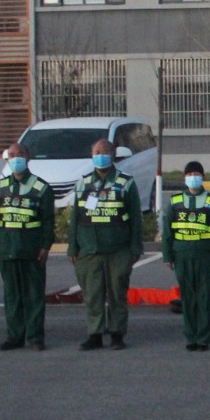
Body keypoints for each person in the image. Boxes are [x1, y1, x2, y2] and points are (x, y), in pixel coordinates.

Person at [68, 138, 143, 350]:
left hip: (118, 250)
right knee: (93, 295)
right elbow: (76, 217)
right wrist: (72, 247)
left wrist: (135, 248)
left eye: (105, 152)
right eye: (97, 152)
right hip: (89, 250)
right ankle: (95, 334)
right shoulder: (83, 183)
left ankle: (117, 334)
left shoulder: (125, 182)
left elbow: (135, 218)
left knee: (117, 293)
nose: (100, 155)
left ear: (113, 155)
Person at [0, 142, 54, 351]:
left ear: (28, 158)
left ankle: (35, 337)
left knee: (34, 295)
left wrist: (45, 246)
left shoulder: (41, 187)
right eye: (12, 155)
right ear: (7, 159)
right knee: (12, 295)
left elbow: (48, 220)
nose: (16, 158)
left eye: (20, 154)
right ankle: (15, 336)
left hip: (32, 248)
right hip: (7, 248)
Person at [162, 160, 210, 351]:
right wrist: (167, 256)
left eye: (196, 174)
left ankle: (204, 338)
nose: (193, 178)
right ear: (184, 178)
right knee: (188, 298)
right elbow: (167, 232)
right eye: (190, 175)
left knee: (204, 298)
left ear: (203, 177)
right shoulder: (175, 201)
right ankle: (191, 337)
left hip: (205, 256)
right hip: (182, 255)